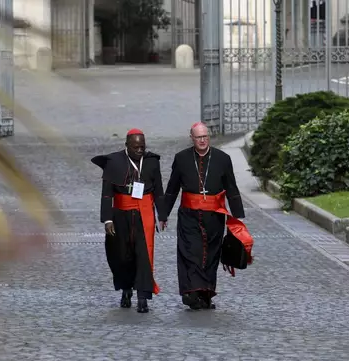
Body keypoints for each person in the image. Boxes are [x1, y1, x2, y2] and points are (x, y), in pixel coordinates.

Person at [160, 122, 253, 310]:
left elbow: (232, 189)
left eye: (205, 136)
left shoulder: (222, 159)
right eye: (198, 137)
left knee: (210, 255)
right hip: (189, 216)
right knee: (191, 253)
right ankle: (191, 292)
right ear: (192, 138)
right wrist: (163, 214)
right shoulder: (182, 158)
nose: (202, 140)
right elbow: (172, 189)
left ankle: (206, 294)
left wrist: (238, 217)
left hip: (214, 216)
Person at [91, 128, 167, 313]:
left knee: (143, 254)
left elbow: (158, 191)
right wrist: (107, 219)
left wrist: (162, 215)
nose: (140, 150)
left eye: (142, 147)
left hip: (144, 214)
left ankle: (143, 297)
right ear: (127, 146)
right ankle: (126, 290)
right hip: (120, 215)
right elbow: (107, 194)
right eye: (135, 147)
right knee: (122, 255)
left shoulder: (151, 162)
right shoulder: (114, 162)